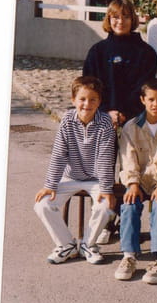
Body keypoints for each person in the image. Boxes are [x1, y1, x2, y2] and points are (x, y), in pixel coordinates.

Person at [33, 76, 116, 265]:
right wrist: (50, 185)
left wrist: (106, 188)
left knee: (105, 206)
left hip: (96, 180)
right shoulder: (67, 120)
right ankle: (66, 245)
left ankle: (88, 244)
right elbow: (59, 154)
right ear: (73, 100)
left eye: (93, 99)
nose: (87, 104)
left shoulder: (105, 123)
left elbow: (105, 158)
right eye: (82, 99)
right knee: (42, 204)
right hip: (70, 177)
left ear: (99, 102)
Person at [114, 79, 157, 284]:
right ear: (143, 100)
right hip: (139, 180)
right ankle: (129, 256)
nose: (155, 104)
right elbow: (127, 157)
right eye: (151, 99)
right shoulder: (131, 126)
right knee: (129, 204)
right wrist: (132, 183)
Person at [83, 0, 157, 128]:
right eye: (116, 17)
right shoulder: (97, 51)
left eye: (126, 16)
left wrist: (125, 113)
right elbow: (89, 86)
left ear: (133, 19)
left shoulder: (146, 53)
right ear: (109, 19)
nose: (121, 21)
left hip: (135, 120)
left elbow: (145, 87)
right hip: (101, 118)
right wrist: (106, 112)